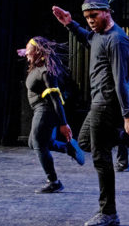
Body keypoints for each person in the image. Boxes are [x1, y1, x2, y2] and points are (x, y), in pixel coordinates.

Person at [52, 0, 129, 226]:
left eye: (93, 16)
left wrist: (127, 115)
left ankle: (108, 212)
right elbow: (89, 39)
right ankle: (127, 139)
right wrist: (69, 23)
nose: (90, 20)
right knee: (86, 142)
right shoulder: (99, 35)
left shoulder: (117, 40)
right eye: (86, 17)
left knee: (100, 156)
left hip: (108, 102)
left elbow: (121, 79)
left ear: (107, 11)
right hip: (99, 101)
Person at [18, 36, 85, 193]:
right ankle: (68, 149)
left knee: (39, 145)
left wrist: (63, 123)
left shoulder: (46, 72)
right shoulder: (37, 65)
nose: (26, 54)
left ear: (38, 52)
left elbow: (56, 99)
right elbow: (29, 53)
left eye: (29, 51)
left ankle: (53, 181)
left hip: (45, 111)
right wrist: (25, 52)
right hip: (40, 110)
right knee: (33, 143)